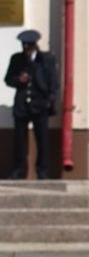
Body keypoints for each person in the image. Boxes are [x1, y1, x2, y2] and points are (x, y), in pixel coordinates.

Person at [6, 29, 58, 181]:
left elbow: (53, 82)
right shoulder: (16, 59)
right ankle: (19, 170)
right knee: (19, 141)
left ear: (34, 46)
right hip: (22, 104)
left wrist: (49, 100)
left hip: (39, 103)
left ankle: (42, 171)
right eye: (24, 47)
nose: (26, 50)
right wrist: (18, 80)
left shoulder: (46, 59)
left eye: (29, 47)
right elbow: (8, 79)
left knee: (42, 140)